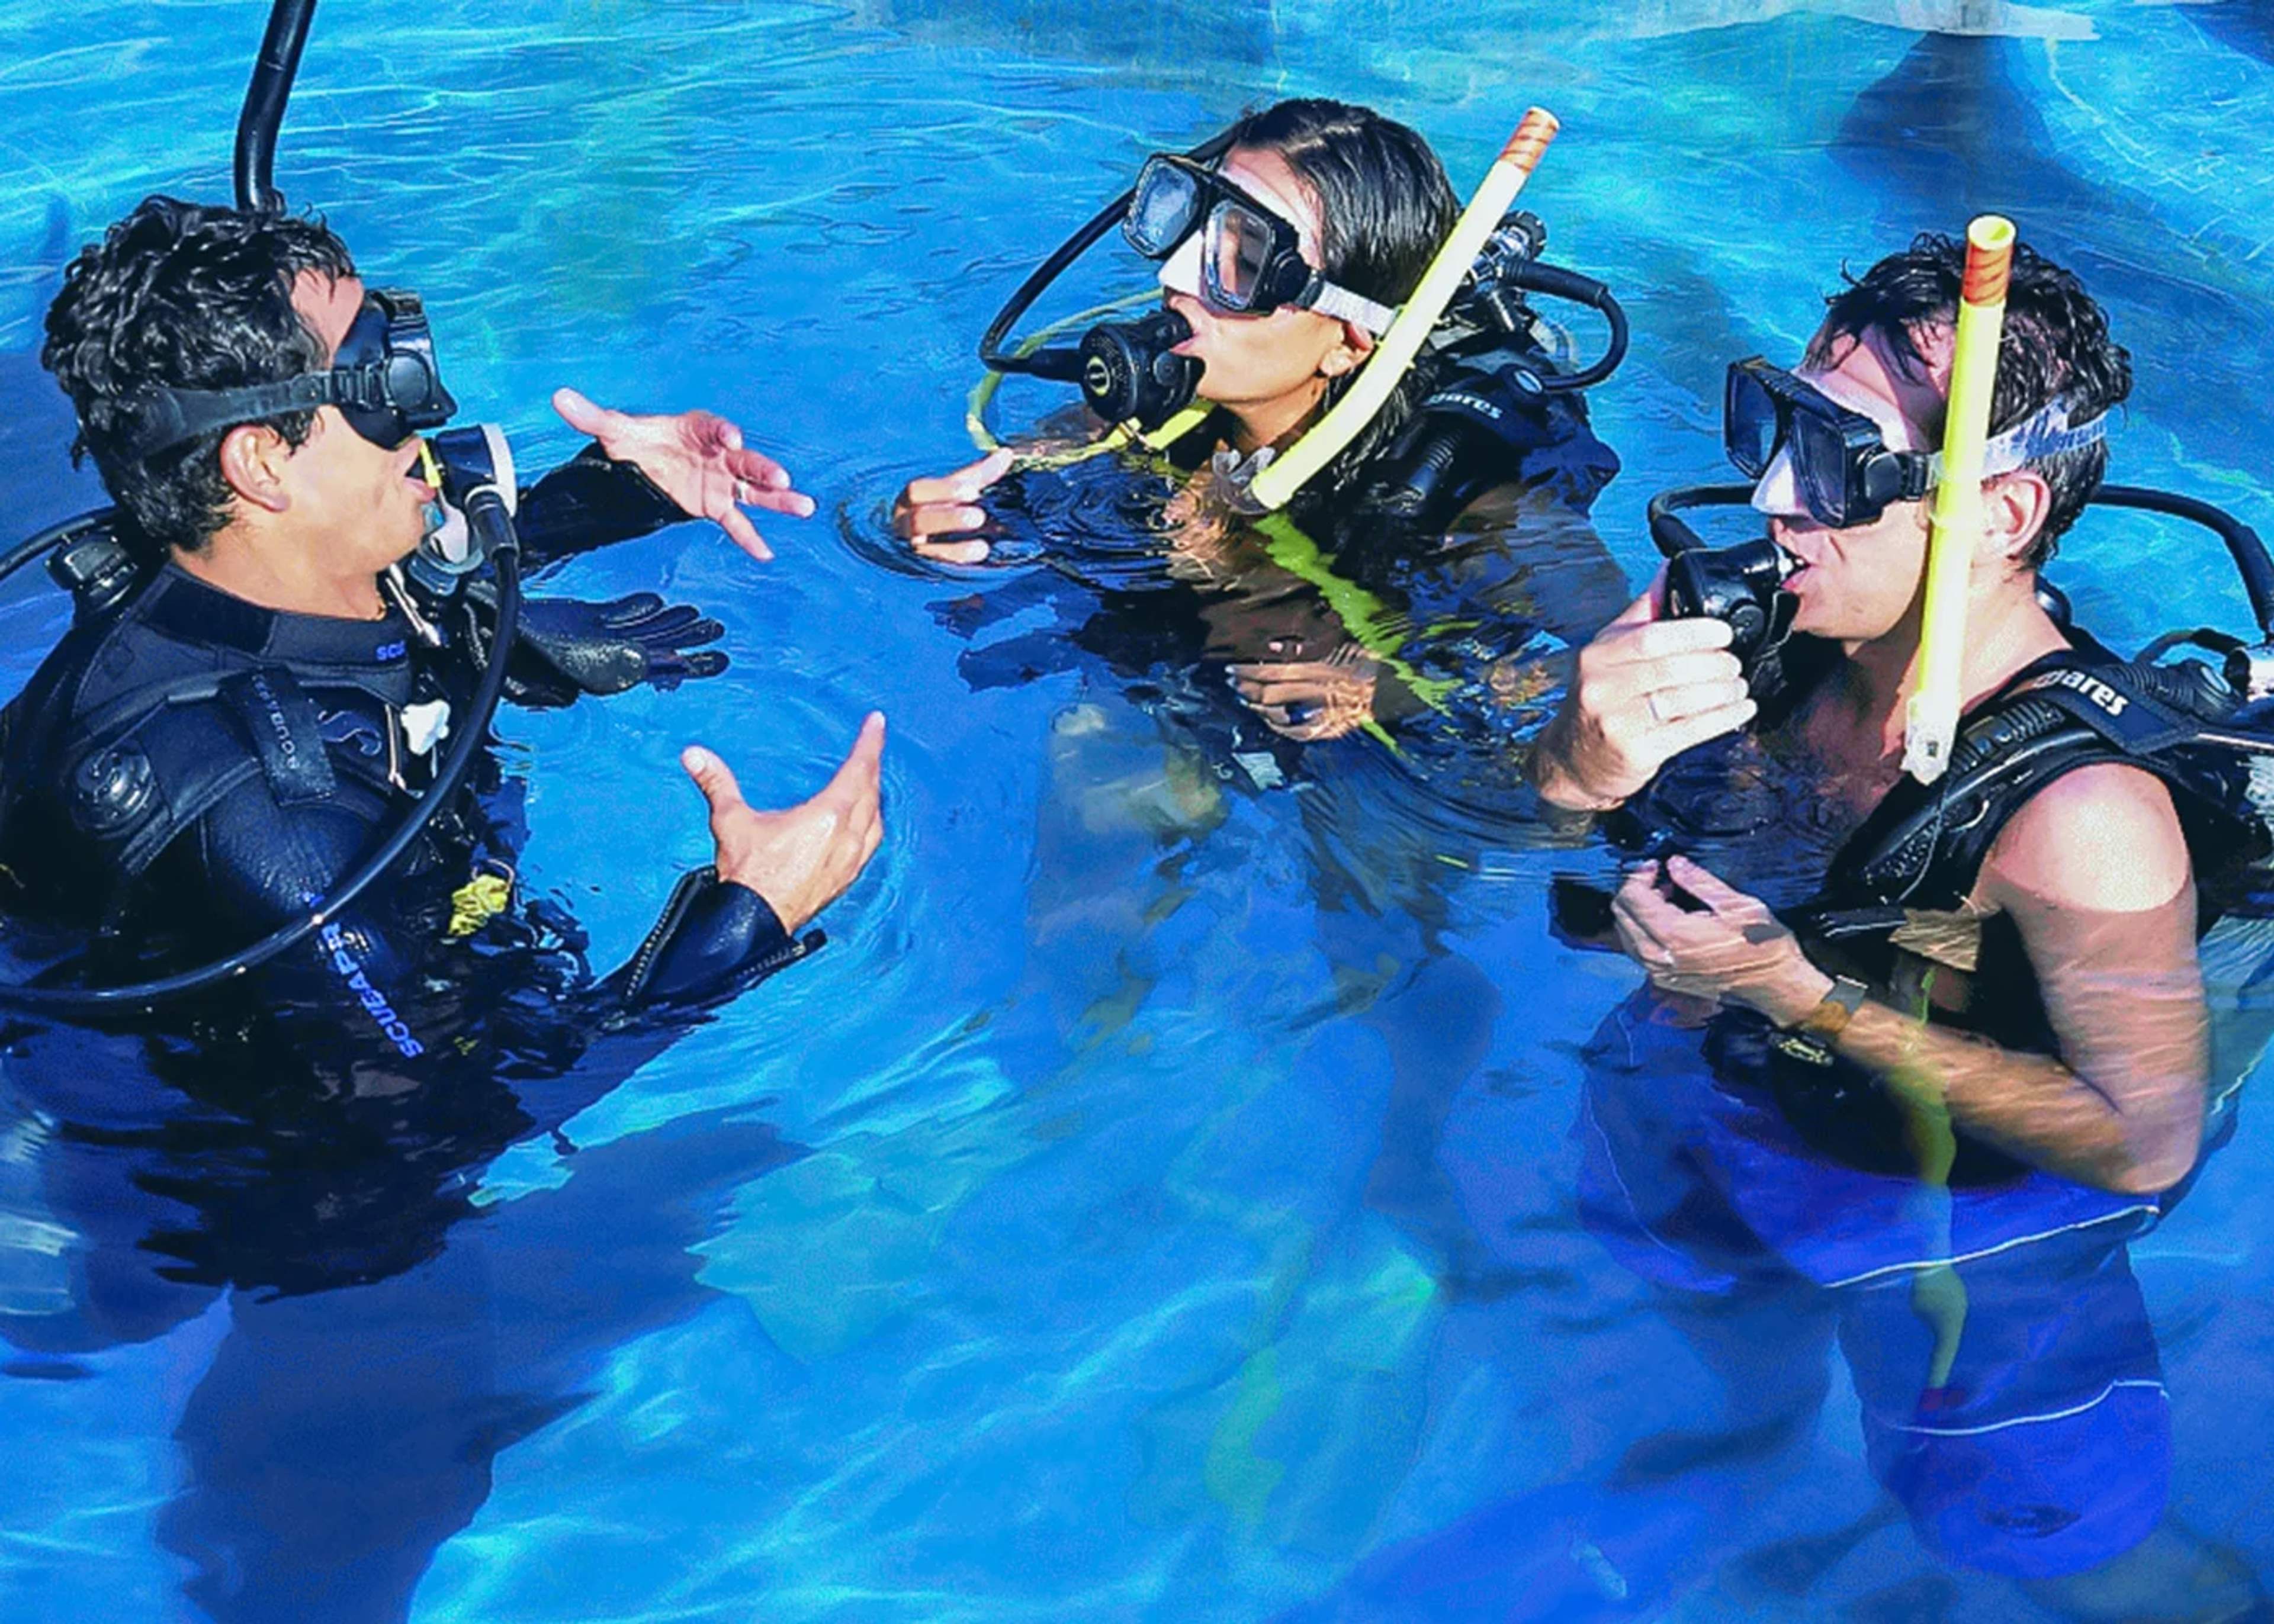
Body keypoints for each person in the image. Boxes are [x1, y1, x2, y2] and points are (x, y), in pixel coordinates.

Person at [1497, 234, 2253, 1610]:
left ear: (2002, 514)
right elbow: (1530, 855)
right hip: (1709, 1103)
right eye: (1772, 425)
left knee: (2058, 1547)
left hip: (1963, 1226)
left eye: (1835, 458)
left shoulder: (2078, 813)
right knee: (1698, 1390)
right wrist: (1570, 765)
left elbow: (2143, 1144)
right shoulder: (1732, 624)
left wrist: (1805, 998)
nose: (1773, 496)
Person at [1, 196, 884, 1072]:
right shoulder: (281, 839)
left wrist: (630, 488)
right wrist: (749, 916)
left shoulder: (248, 563)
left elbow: (440, 550)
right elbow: (454, 1125)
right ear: (262, 463)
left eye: (392, 342)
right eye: (374, 375)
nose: (427, 409)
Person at [889, 97, 1627, 750]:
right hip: (1208, 659)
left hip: (1360, 733)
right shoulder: (1163, 402)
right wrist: (937, 529)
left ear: (1347, 341)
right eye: (1192, 224)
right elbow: (1016, 498)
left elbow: (1627, 658)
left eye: (1240, 261)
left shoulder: (1477, 507)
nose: (1175, 275)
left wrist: (1397, 690)